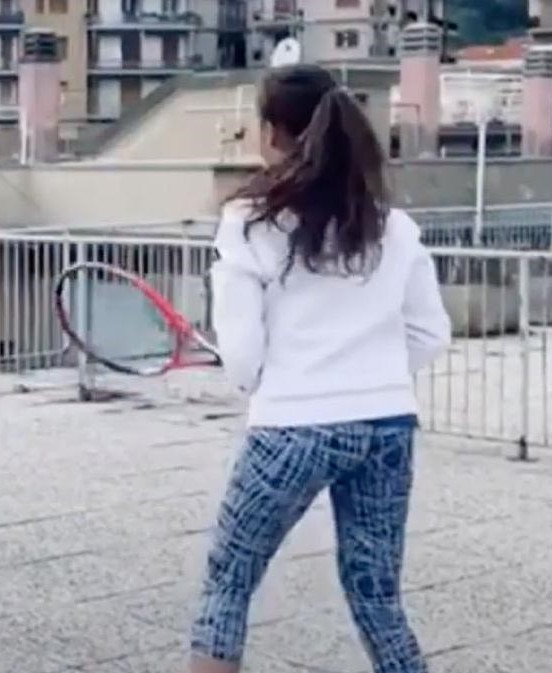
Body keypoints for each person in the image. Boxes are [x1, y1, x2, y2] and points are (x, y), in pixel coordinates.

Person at [189, 64, 451, 673]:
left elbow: (243, 358)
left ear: (272, 133)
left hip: (293, 424)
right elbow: (430, 333)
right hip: (387, 424)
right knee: (377, 597)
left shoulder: (250, 222)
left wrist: (275, 382)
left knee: (229, 582)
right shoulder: (393, 226)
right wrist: (375, 375)